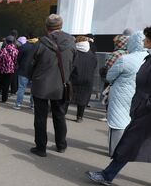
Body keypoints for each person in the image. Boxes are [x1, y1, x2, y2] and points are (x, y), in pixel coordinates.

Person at [87, 27, 151, 185]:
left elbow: (110, 75)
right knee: (130, 141)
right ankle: (107, 174)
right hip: (140, 105)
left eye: (146, 38)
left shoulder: (129, 58)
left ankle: (107, 175)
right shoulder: (147, 58)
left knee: (128, 141)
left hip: (145, 109)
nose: (143, 41)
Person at [28, 14, 76, 157]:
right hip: (61, 84)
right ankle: (61, 145)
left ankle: (41, 148)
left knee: (40, 118)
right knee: (60, 115)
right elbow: (73, 64)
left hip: (41, 84)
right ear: (61, 25)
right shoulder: (71, 42)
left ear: (46, 27)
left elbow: (30, 65)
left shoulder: (41, 43)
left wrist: (34, 77)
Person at [105, 31, 147, 156]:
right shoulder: (147, 59)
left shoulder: (125, 59)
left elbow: (109, 76)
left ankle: (115, 152)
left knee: (117, 123)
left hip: (120, 94)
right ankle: (130, 150)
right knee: (133, 122)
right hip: (139, 95)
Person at [67, 36, 98, 122]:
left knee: (67, 96)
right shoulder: (92, 55)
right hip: (88, 79)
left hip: (74, 78)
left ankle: (63, 112)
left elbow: (70, 66)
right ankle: (79, 117)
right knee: (83, 99)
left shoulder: (74, 53)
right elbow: (94, 66)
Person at [14, 33, 38, 109]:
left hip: (23, 70)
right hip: (35, 71)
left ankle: (18, 104)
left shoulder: (24, 46)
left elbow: (18, 59)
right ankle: (32, 105)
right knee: (34, 89)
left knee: (21, 88)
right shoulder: (39, 47)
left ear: (28, 38)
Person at [0, 35, 18, 103]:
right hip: (10, 71)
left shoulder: (3, 50)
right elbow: (16, 61)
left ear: (6, 41)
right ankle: (4, 99)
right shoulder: (15, 51)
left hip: (1, 70)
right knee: (6, 85)